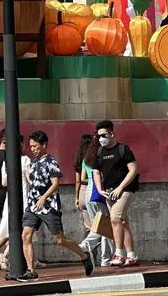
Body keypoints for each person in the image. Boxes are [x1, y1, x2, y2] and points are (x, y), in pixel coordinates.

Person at [19, 130, 93, 280]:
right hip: (33, 205)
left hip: (49, 206)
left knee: (59, 239)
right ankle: (31, 270)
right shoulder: (34, 162)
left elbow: (55, 184)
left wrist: (43, 197)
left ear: (44, 145)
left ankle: (84, 255)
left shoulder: (51, 162)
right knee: (25, 235)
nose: (32, 149)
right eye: (31, 146)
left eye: (35, 146)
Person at [92, 120, 139, 267]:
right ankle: (131, 255)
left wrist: (120, 188)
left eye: (103, 135)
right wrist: (100, 189)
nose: (101, 139)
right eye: (98, 136)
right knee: (122, 223)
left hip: (125, 190)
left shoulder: (123, 149)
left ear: (111, 134)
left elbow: (133, 170)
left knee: (115, 219)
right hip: (109, 192)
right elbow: (96, 172)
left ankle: (119, 253)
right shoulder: (99, 152)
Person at [0, 134, 30, 270]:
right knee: (16, 229)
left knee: (12, 228)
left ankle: (6, 256)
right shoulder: (19, 159)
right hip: (14, 197)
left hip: (0, 196)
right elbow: (29, 179)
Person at [75, 133, 115, 266]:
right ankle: (100, 255)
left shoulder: (86, 158)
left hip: (88, 193)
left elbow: (82, 179)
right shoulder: (100, 156)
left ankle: (102, 257)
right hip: (98, 193)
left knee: (98, 225)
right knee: (105, 226)